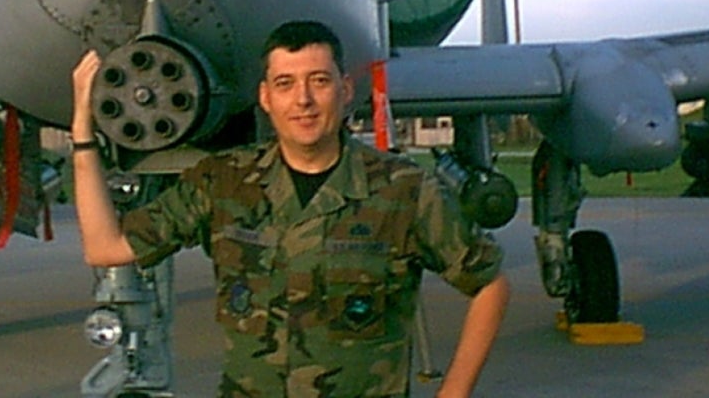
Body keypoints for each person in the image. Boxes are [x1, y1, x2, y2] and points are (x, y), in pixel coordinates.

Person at [70, 20, 509, 398]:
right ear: (266, 97)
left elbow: (489, 285)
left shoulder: (403, 190)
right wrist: (83, 135)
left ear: (345, 90)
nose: (303, 100)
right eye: (286, 84)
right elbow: (105, 248)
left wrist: (454, 390)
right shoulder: (225, 183)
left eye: (318, 81)